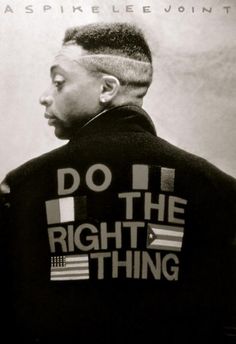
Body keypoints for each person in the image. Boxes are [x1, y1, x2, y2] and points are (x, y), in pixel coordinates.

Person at [0, 22, 235, 343]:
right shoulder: (217, 188)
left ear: (107, 89)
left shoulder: (24, 186)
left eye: (58, 82)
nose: (44, 97)